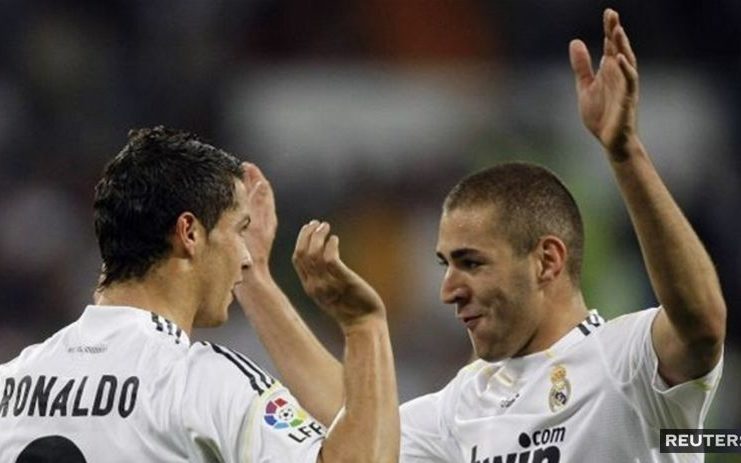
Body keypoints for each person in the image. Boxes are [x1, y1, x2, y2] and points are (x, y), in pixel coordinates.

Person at [236, 9, 725, 462]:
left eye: (471, 263)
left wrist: (624, 152)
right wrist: (252, 276)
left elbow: (701, 323)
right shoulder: (464, 404)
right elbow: (359, 422)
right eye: (445, 264)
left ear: (547, 261)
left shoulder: (624, 360)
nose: (448, 290)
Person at [0, 127, 399, 462]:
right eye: (239, 230)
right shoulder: (200, 381)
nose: (246, 256)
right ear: (189, 232)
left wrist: (258, 283)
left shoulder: (11, 381)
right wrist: (363, 325)